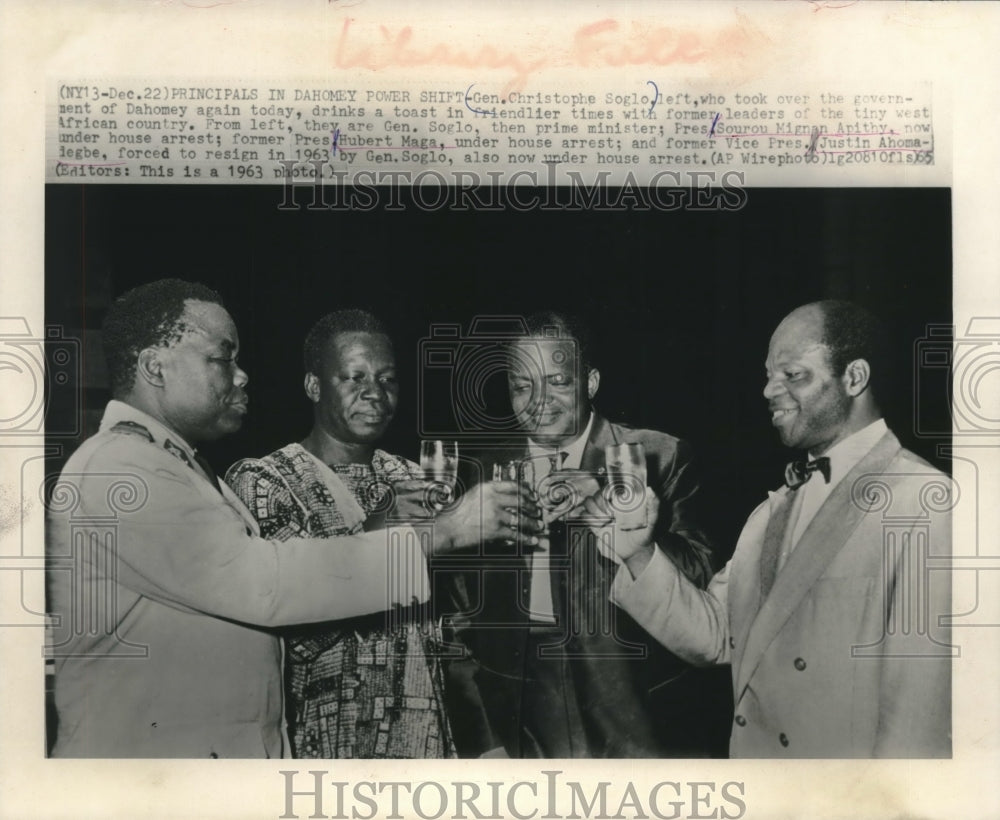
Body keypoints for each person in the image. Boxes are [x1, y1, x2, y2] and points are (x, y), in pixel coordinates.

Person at [45, 279, 542, 758]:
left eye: (388, 379)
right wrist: (446, 530)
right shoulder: (123, 466)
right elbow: (265, 583)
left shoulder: (178, 466)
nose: (241, 375)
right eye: (222, 358)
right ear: (155, 367)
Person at [605, 300, 952, 757]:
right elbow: (714, 635)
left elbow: (918, 724)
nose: (770, 390)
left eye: (793, 375)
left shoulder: (924, 501)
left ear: (854, 378)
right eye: (769, 374)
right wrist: (638, 553)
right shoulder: (771, 512)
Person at [445, 311, 726, 758]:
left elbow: (702, 578)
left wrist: (618, 505)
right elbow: (459, 616)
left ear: (590, 382)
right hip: (518, 720)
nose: (539, 400)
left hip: (633, 716)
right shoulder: (481, 469)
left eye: (557, 380)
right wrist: (484, 736)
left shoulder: (659, 455)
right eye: (522, 386)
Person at [226, 310, 455, 759]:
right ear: (314, 386)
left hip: (424, 740)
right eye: (354, 378)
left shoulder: (410, 474)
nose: (375, 393)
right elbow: (297, 627)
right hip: (329, 743)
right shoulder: (264, 481)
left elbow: (446, 623)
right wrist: (381, 524)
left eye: (388, 380)